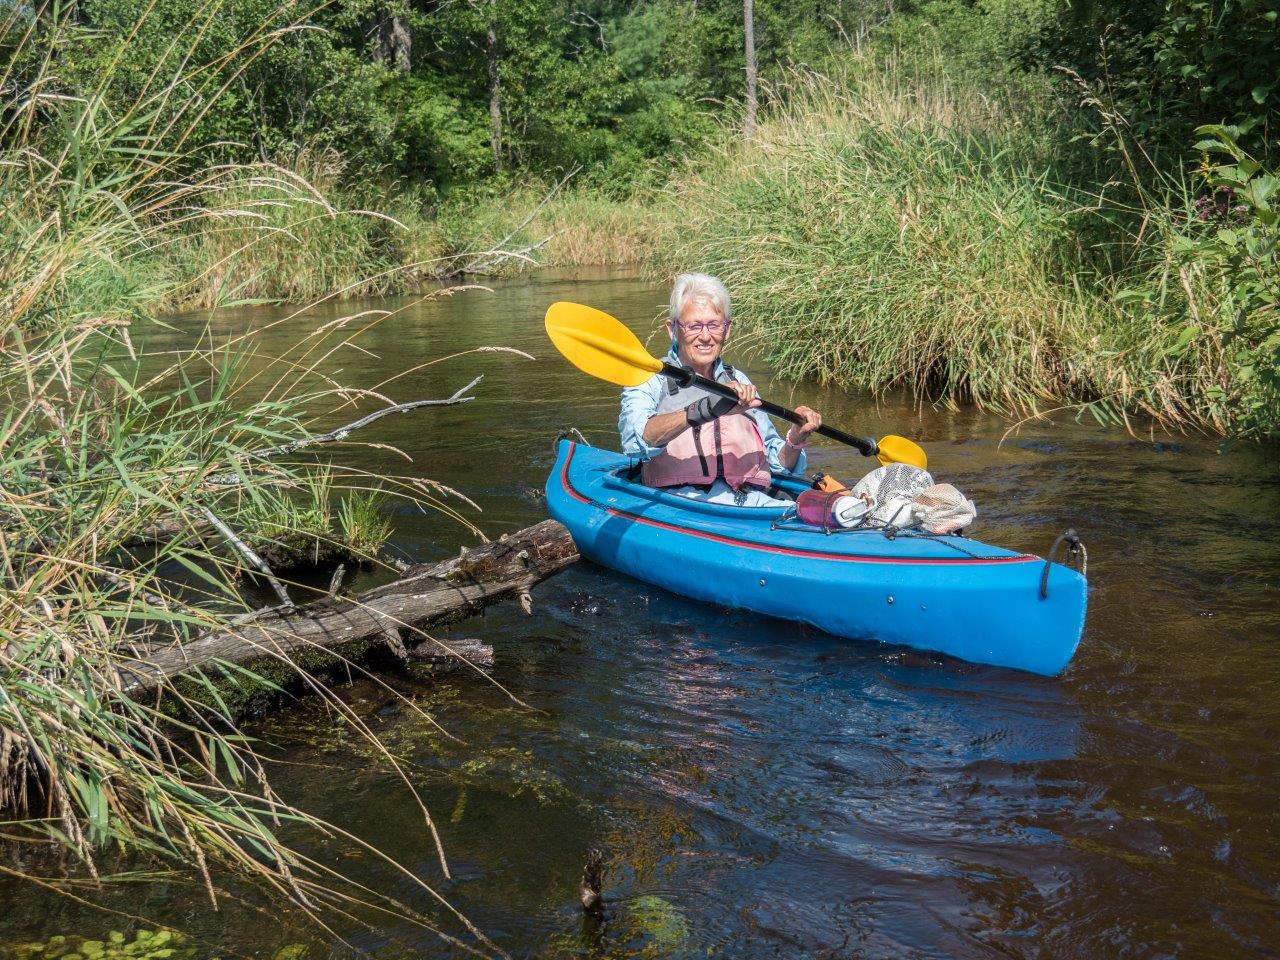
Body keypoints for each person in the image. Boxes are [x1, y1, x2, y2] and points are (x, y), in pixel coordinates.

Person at [619, 273, 823, 506]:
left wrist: (795, 439)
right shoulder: (650, 379)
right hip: (679, 503)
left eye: (714, 325)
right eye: (694, 326)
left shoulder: (739, 380)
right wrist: (703, 409)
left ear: (727, 329)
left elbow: (780, 465)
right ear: (672, 328)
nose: (705, 336)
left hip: (748, 501)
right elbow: (633, 443)